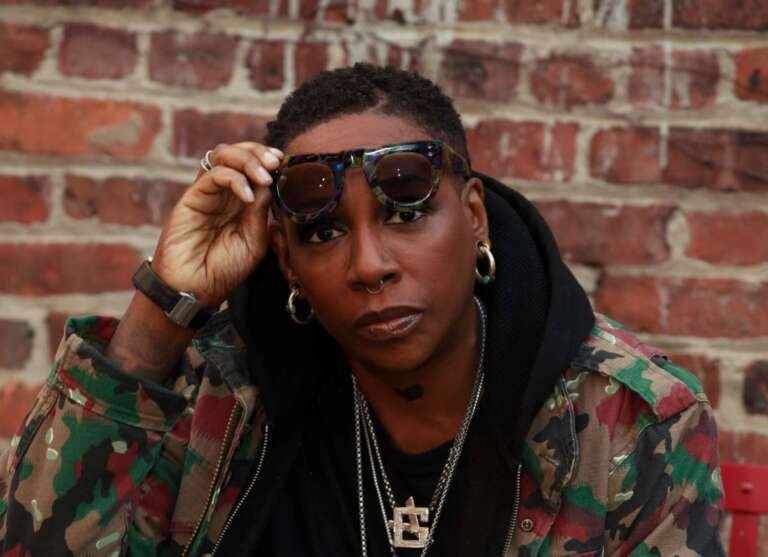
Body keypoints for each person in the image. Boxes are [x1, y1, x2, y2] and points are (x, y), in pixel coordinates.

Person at [0, 64, 723, 557]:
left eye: (405, 214)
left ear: (474, 216)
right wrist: (161, 311)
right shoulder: (215, 398)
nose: (369, 264)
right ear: (287, 263)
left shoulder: (629, 421)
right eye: (323, 233)